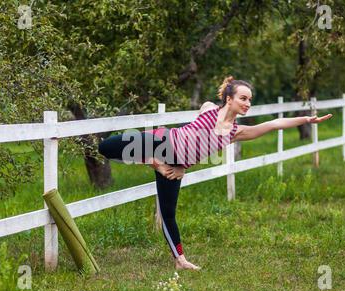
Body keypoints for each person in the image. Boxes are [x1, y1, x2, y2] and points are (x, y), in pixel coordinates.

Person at [98, 76, 332, 270]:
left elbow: (273, 124)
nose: (247, 103)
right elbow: (192, 138)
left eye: (250, 100)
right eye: (243, 98)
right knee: (105, 147)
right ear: (229, 99)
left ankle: (180, 260)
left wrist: (307, 119)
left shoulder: (236, 132)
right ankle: (154, 162)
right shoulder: (208, 108)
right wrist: (157, 163)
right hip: (162, 141)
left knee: (168, 213)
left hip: (175, 165)